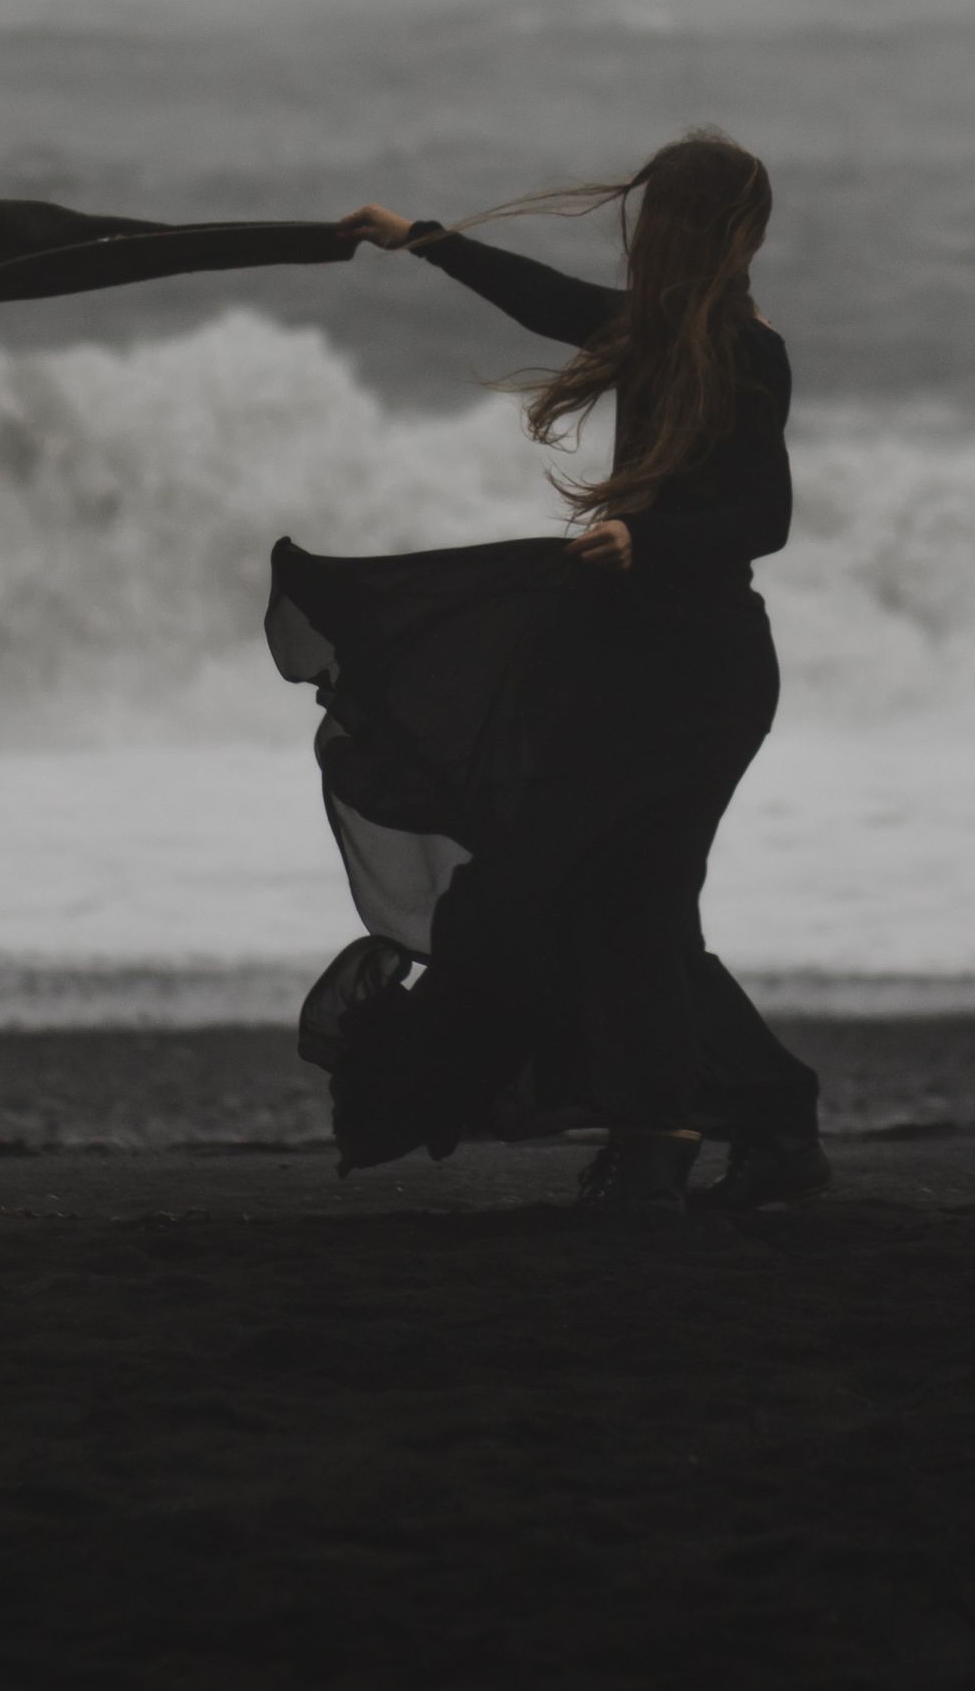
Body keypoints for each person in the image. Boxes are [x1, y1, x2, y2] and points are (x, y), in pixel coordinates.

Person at [297, 132, 830, 1217]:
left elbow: (764, 516)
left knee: (627, 906)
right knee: (623, 906)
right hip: (631, 666)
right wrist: (428, 242)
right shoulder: (656, 332)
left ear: (717, 235)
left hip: (702, 678)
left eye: (666, 219)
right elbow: (545, 299)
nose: (648, 237)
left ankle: (665, 1138)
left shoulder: (744, 348)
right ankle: (764, 1121)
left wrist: (650, 541)